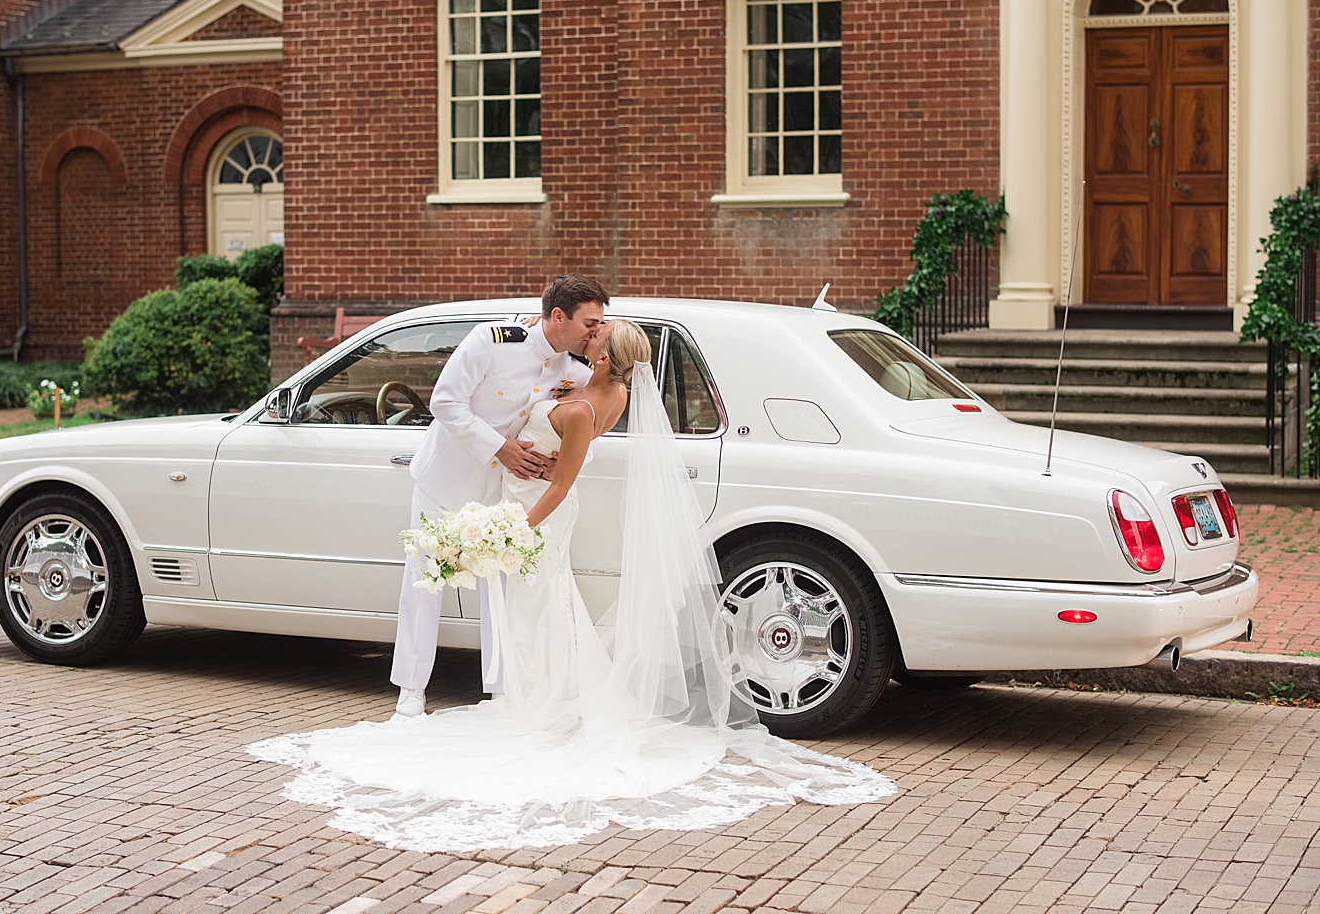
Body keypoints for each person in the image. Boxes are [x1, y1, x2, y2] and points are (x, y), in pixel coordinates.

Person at [250, 319, 896, 853]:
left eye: (600, 334)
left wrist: (509, 530)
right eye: (592, 326)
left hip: (538, 514)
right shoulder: (586, 385)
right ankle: (529, 693)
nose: (591, 335)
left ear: (609, 359)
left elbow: (560, 483)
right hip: (528, 506)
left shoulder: (587, 404)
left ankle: (538, 704)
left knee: (537, 610)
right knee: (536, 611)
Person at [390, 274, 606, 717]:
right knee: (426, 580)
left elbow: (587, 436)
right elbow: (446, 402)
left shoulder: (576, 372)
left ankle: (502, 691)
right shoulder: (493, 341)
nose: (595, 331)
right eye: (590, 322)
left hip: (507, 494)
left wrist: (555, 466)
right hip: (446, 480)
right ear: (559, 316)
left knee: (503, 590)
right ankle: (411, 690)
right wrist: (500, 448)